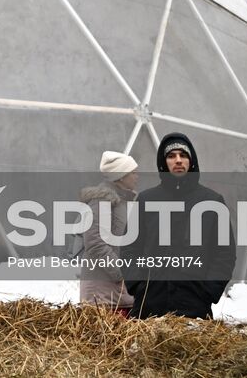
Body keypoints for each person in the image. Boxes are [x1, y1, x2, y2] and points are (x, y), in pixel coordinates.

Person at [123, 133, 236, 319]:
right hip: (149, 304)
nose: (178, 160)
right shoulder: (146, 199)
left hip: (194, 306)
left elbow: (225, 253)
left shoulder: (212, 201)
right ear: (163, 162)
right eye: (171, 156)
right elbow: (129, 247)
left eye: (183, 155)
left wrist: (208, 291)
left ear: (191, 161)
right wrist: (138, 285)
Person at [77, 151, 139, 314]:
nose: (137, 176)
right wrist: (122, 274)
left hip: (118, 293)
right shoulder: (102, 201)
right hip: (103, 295)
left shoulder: (123, 201)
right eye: (133, 172)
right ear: (121, 176)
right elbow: (95, 243)